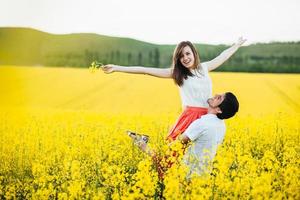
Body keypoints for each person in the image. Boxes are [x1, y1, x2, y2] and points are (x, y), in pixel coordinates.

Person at [102, 38, 246, 142]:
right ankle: (143, 142)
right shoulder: (178, 74)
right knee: (173, 156)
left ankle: (144, 142)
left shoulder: (205, 67)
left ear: (194, 53)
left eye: (188, 53)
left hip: (208, 116)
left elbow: (223, 56)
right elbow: (145, 70)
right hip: (190, 116)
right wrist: (117, 68)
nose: (185, 58)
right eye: (181, 56)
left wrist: (236, 45)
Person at [130, 92, 239, 179]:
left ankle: (141, 143)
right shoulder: (221, 126)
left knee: (162, 162)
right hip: (204, 175)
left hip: (188, 175)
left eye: (219, 98)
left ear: (219, 110)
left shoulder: (202, 123)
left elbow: (174, 146)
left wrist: (146, 148)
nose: (215, 95)